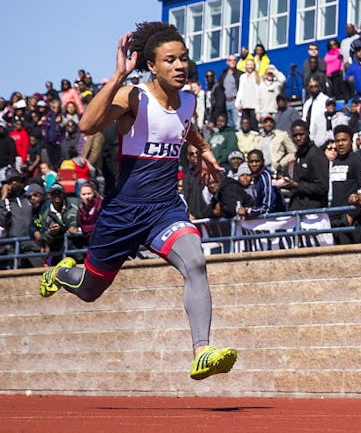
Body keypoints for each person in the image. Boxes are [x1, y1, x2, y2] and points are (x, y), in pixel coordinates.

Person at [38, 22, 237, 380]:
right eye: (170, 60)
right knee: (89, 290)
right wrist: (117, 76)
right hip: (123, 213)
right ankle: (63, 271)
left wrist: (204, 150)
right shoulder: (133, 97)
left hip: (164, 208)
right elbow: (86, 126)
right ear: (152, 65)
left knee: (195, 262)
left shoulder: (190, 99)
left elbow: (185, 126)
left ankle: (202, 351)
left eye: (183, 60)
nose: (179, 66)